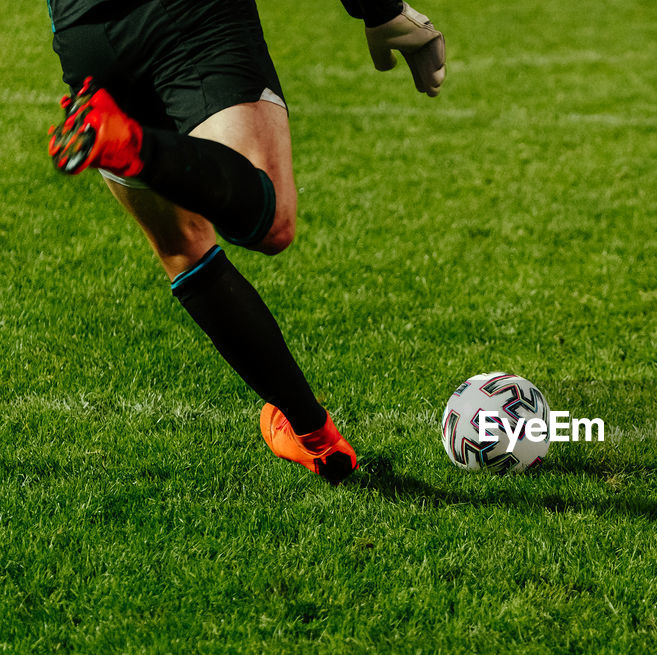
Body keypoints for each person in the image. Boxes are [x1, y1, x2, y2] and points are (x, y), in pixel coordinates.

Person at [45, 0, 445, 484]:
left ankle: (316, 438)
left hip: (84, 32)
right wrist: (379, 9)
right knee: (271, 218)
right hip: (188, 16)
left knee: (182, 247)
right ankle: (138, 146)